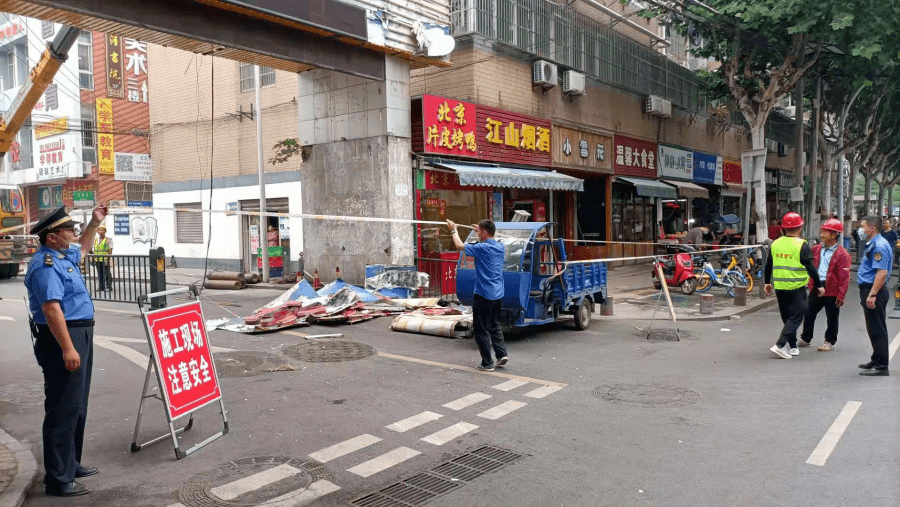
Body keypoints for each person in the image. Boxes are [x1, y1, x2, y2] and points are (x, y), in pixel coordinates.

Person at [24, 205, 107, 497]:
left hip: (78, 332)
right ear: (51, 238)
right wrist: (68, 348)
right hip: (62, 338)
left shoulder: (63, 255)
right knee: (62, 407)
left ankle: (71, 463)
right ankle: (58, 478)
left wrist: (95, 223)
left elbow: (83, 247)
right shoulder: (45, 265)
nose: (73, 233)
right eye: (67, 230)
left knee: (77, 405)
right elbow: (51, 309)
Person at [447, 218, 508, 371]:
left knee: (481, 330)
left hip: (483, 294)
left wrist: (453, 229)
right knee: (494, 325)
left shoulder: (482, 248)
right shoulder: (500, 246)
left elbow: (459, 245)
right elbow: (487, 237)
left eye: (480, 232)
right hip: (498, 293)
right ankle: (501, 354)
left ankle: (487, 363)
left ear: (485, 233)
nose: (478, 233)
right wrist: (479, 230)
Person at [765, 212, 823, 359]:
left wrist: (767, 282)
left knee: (787, 318)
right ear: (800, 227)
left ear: (783, 228)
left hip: (779, 286)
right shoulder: (802, 245)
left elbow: (768, 265)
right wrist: (819, 285)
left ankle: (792, 346)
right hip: (796, 287)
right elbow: (811, 267)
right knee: (797, 316)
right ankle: (779, 345)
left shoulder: (775, 243)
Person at [798, 219, 851, 351]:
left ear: (834, 235)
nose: (821, 235)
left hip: (832, 288)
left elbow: (844, 276)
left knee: (832, 316)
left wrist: (841, 294)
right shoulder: (815, 249)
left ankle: (830, 341)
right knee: (809, 312)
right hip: (817, 285)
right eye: (822, 232)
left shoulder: (842, 254)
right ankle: (806, 338)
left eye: (825, 232)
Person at [856, 215, 892, 376]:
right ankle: (876, 358)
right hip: (869, 289)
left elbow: (881, 273)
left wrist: (872, 295)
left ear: (871, 228)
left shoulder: (879, 246)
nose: (861, 229)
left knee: (877, 328)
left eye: (863, 226)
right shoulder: (873, 243)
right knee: (873, 327)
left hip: (874, 290)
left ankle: (882, 365)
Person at [90, 225, 112, 292]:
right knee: (100, 273)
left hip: (105, 259)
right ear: (97, 231)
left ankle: (109, 286)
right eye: (99, 230)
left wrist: (108, 259)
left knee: (107, 273)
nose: (101, 231)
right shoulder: (95, 240)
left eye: (102, 230)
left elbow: (110, 250)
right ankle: (101, 286)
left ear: (105, 231)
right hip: (97, 259)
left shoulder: (108, 240)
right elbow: (94, 250)